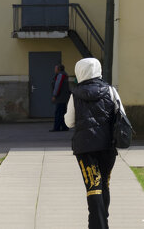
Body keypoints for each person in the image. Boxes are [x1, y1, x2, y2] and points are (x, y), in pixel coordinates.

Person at [65, 57, 124, 229]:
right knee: (104, 182)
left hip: (85, 147)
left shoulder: (75, 94)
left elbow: (69, 122)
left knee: (93, 186)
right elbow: (121, 114)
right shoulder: (111, 91)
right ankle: (101, 221)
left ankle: (98, 225)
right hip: (107, 145)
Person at [50, 63, 70, 132]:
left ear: (58, 69)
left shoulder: (60, 75)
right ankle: (64, 127)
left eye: (55, 68)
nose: (54, 69)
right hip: (63, 97)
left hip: (60, 97)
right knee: (62, 112)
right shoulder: (64, 75)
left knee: (58, 112)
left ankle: (57, 127)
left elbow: (57, 86)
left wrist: (54, 95)